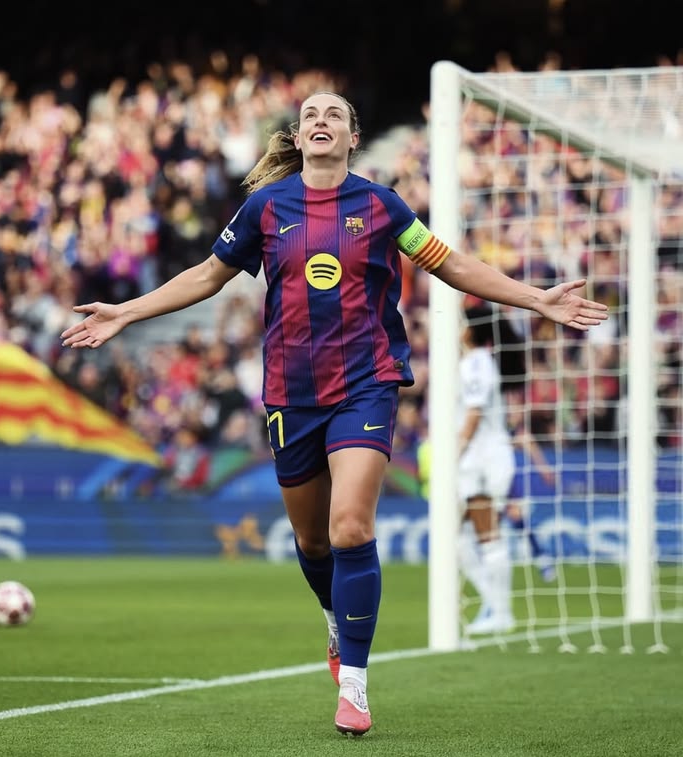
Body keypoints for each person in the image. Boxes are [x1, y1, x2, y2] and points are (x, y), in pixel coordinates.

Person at [60, 90, 608, 736]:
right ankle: (333, 619)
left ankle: (354, 683)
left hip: (365, 385)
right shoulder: (267, 207)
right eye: (311, 116)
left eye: (335, 116)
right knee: (314, 541)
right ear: (299, 137)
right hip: (291, 393)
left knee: (350, 527)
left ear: (353, 138)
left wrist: (535, 299)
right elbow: (208, 275)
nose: (321, 122)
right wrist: (125, 312)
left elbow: (450, 263)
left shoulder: (381, 205)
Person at [456, 305, 518, 635]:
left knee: (487, 537)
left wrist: (454, 451)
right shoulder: (476, 361)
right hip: (480, 458)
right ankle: (494, 603)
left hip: (481, 460)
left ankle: (501, 611)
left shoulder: (477, 362)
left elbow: (474, 412)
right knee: (457, 539)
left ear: (471, 329)